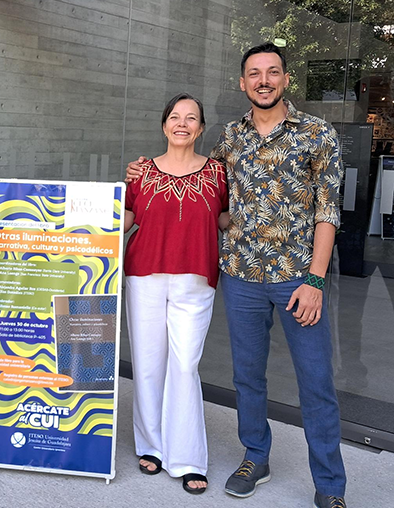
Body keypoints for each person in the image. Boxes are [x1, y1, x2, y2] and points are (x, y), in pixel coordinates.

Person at [125, 43, 346, 508]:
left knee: (315, 383)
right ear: (243, 83)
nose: (263, 80)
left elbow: (328, 212)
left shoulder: (316, 133)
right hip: (242, 276)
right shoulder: (231, 138)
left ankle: (329, 486)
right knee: (248, 378)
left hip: (296, 277)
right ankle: (255, 458)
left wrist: (317, 279)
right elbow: (213, 201)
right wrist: (139, 174)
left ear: (285, 79)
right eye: (253, 74)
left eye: (272, 72)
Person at [123, 93, 228, 495]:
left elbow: (224, 218)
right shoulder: (141, 171)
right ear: (164, 124)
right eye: (175, 117)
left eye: (191, 118)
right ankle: (152, 445)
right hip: (144, 276)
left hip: (195, 280)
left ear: (201, 128)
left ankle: (186, 457)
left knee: (184, 365)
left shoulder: (218, 172)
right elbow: (127, 217)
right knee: (149, 365)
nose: (182, 123)